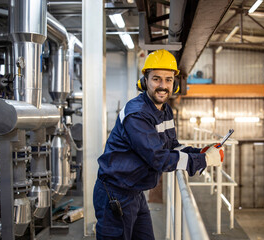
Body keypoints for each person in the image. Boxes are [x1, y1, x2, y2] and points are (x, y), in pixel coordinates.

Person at [93, 49, 224, 240]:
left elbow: (171, 146)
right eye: (156, 79)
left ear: (175, 84)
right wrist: (202, 160)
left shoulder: (164, 110)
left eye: (168, 80)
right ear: (145, 80)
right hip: (115, 193)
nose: (163, 86)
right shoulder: (137, 114)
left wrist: (201, 152)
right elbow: (158, 159)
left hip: (135, 192)